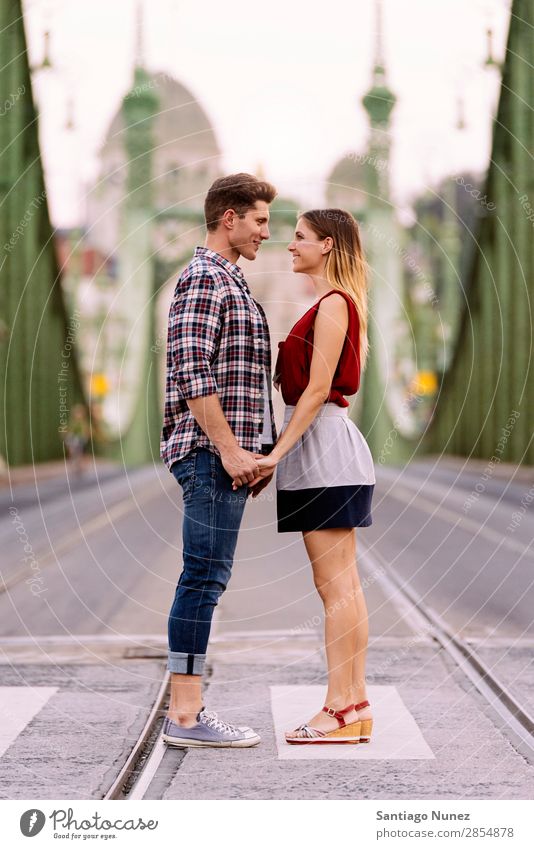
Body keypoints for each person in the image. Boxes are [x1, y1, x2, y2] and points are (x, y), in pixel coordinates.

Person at [240, 209, 376, 744]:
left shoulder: (334, 304)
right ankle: (354, 703)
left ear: (328, 245)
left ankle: (340, 707)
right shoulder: (330, 305)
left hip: (323, 449)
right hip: (324, 449)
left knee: (335, 588)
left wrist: (274, 455)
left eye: (299, 237)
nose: (288, 245)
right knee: (341, 586)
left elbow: (317, 390)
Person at [160, 173, 277, 748]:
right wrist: (231, 450)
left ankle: (188, 709)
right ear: (228, 218)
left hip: (224, 456)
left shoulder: (232, 281)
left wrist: (260, 450)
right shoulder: (206, 279)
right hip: (209, 455)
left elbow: (244, 378)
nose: (265, 234)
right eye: (259, 221)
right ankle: (185, 716)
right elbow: (192, 370)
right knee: (203, 577)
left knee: (208, 577)